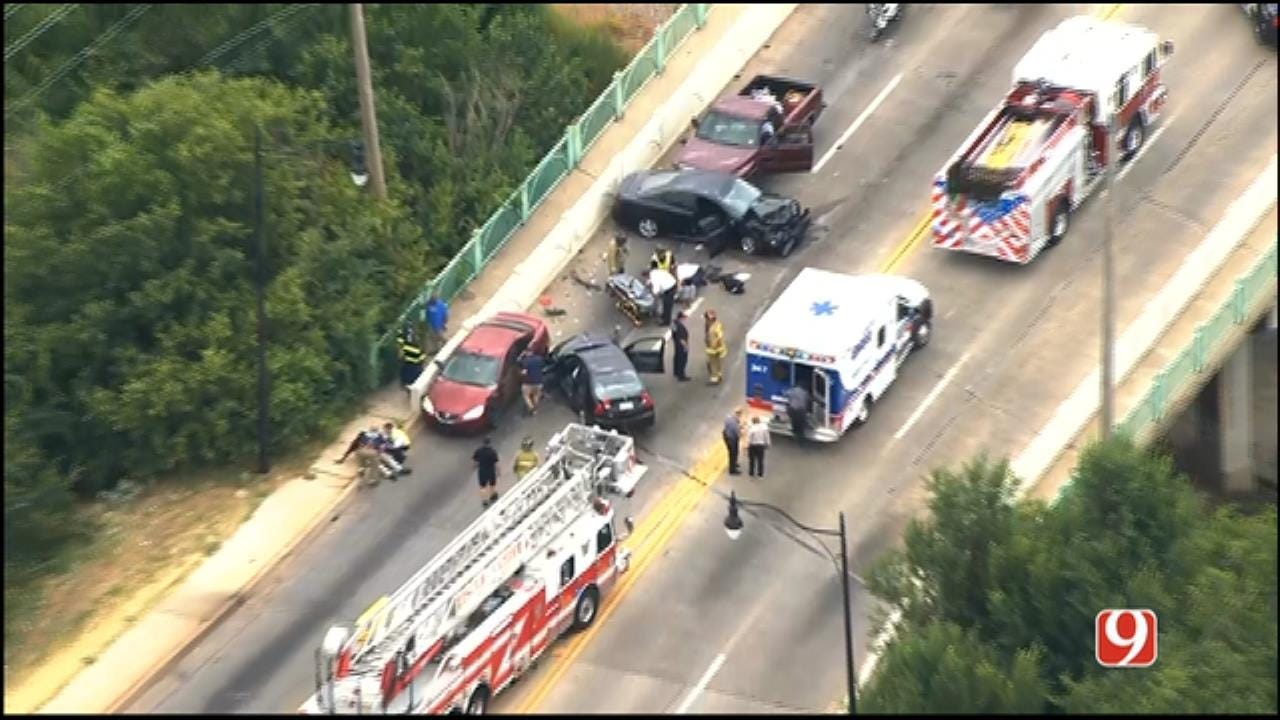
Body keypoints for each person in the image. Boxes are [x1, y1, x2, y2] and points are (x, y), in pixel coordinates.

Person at [473, 437, 500, 508]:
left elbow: (475, 461)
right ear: (489, 443)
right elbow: (496, 463)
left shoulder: (479, 451)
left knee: (483, 486)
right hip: (490, 470)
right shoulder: (492, 452)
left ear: (483, 443)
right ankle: (492, 495)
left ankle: (484, 500)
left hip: (482, 470)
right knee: (492, 484)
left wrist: (475, 467)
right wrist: (498, 471)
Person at [397, 327, 426, 391]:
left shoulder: (404, 347)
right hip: (416, 368)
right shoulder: (419, 347)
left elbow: (400, 357)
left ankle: (404, 384)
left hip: (408, 367)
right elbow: (423, 358)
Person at [703, 309, 727, 385]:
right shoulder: (716, 325)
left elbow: (719, 337)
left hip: (714, 350)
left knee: (712, 364)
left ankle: (714, 379)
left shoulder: (714, 328)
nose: (705, 320)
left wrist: (714, 346)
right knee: (717, 364)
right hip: (717, 349)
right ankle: (719, 376)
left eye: (706, 318)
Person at [519, 349, 546, 416]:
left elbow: (524, 372)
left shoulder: (526, 361)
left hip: (528, 383)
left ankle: (531, 408)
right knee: (536, 396)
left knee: (526, 396)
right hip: (539, 382)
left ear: (527, 353)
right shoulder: (539, 359)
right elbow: (542, 366)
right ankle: (535, 410)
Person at [671, 311, 691, 382]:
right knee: (682, 360)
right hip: (681, 346)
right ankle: (681, 376)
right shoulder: (680, 327)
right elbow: (682, 338)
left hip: (676, 345)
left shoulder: (674, 324)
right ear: (681, 318)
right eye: (684, 317)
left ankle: (676, 372)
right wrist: (686, 346)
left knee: (677, 359)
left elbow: (674, 335)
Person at [722, 408, 743, 475]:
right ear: (738, 414)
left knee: (735, 451)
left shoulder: (728, 417)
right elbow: (738, 434)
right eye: (740, 415)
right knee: (733, 453)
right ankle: (732, 470)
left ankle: (735, 463)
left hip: (726, 435)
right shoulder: (735, 424)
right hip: (731, 439)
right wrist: (742, 430)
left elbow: (727, 424)